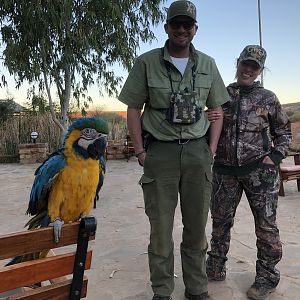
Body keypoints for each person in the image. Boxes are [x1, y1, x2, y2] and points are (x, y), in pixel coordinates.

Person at [118, 1, 229, 299]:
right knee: (161, 230)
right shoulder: (146, 62)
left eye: (187, 25)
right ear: (166, 27)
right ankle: (162, 291)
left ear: (195, 29)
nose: (182, 30)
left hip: (197, 153)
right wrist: (140, 150)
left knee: (196, 227)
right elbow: (132, 107)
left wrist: (212, 149)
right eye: (176, 24)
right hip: (160, 154)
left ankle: (197, 288)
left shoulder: (207, 64)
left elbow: (217, 107)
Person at [206, 45, 292, 300]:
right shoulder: (222, 94)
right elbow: (209, 122)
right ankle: (215, 268)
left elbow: (284, 132)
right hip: (224, 171)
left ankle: (266, 277)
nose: (248, 69)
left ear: (260, 70)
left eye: (254, 66)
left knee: (266, 227)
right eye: (246, 63)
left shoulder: (268, 97)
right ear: (238, 63)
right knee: (220, 224)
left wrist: (275, 156)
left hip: (259, 173)